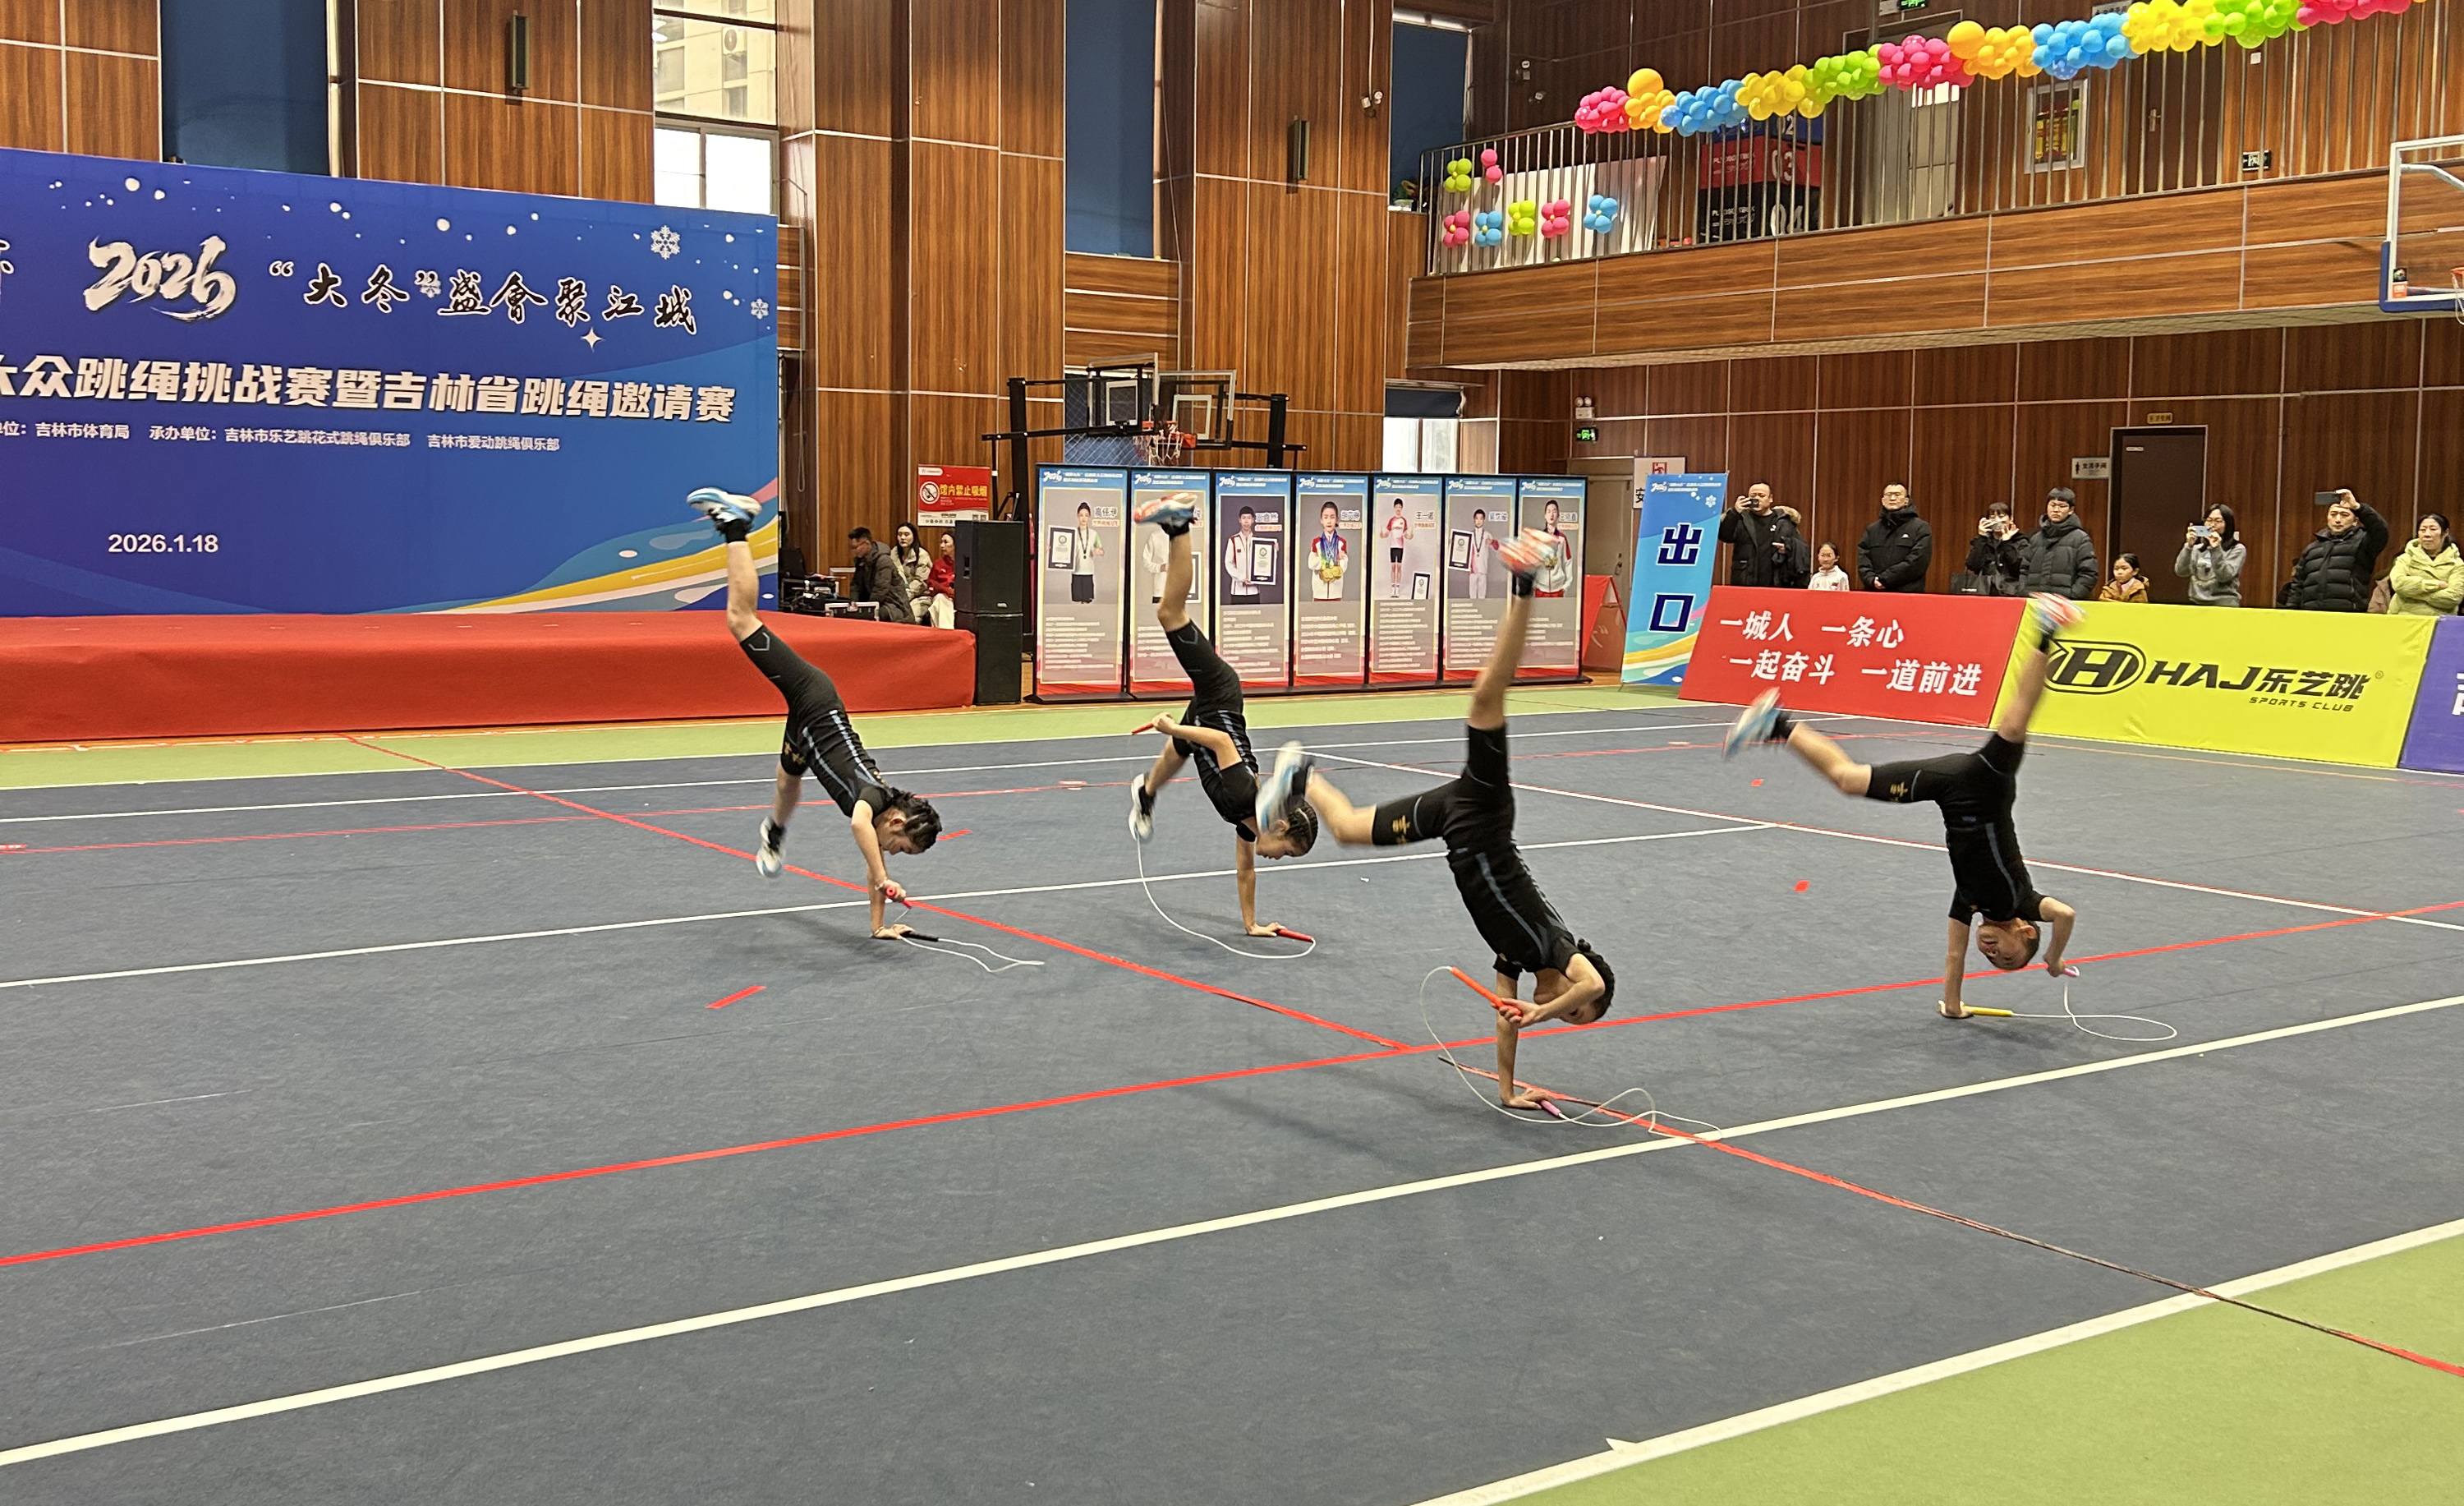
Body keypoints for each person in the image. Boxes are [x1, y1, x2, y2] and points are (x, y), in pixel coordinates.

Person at [1256, 531, 1616, 1108]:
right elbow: (1590, 983)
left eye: (1569, 1015)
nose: (1564, 1008)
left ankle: (1301, 774)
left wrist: (1507, 1090)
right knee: (1485, 700)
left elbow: (1504, 1019)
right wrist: (1545, 1012)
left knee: (1346, 828)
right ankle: (1525, 581)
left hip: (1453, 823)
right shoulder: (1555, 945)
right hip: (1486, 814)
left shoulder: (1516, 960)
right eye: (1574, 1009)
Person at [1723, 593, 2085, 1018]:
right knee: (2017, 720)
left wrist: (1954, 1006)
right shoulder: (2023, 902)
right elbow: (2065, 914)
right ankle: (2047, 627)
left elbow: (1954, 956)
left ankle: (1778, 723)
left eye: (1992, 961)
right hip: (1987, 784)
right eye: (2007, 955)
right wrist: (2053, 959)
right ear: (2025, 932)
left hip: (1948, 788)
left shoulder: (1967, 900)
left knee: (1848, 780)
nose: (1992, 953)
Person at [688, 490, 942, 936]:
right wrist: (883, 876)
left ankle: (775, 832)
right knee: (741, 619)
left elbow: (873, 859)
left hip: (808, 730)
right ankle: (736, 526)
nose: (892, 853)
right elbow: (861, 830)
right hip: (813, 699)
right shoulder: (872, 800)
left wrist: (879, 925)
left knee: (788, 780)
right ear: (897, 821)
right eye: (900, 848)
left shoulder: (880, 811)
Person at [1125, 491, 1317, 933]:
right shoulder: (1243, 797)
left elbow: (1245, 870)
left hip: (1212, 711)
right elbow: (1220, 741)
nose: (1278, 859)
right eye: (1286, 852)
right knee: (1169, 613)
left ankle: (1147, 793)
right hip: (1219, 696)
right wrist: (1171, 726)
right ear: (1279, 826)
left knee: (1182, 749)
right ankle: (1179, 525)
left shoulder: (1249, 825)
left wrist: (1252, 924)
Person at [2288, 490, 2391, 612]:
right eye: (2333, 514)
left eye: (2344, 515)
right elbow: (2297, 584)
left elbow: (2381, 531)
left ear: (2355, 521)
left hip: (2348, 613)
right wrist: (2290, 612)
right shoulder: (2312, 549)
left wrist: (2357, 507)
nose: (2337, 519)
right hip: (2312, 613)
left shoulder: (2363, 543)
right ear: (2327, 518)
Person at [1720, 481, 1809, 589]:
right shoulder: (1741, 519)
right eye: (1753, 496)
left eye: (1761, 496)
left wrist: (1788, 547)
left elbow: (1801, 549)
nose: (1757, 498)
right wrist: (1734, 513)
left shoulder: (1783, 521)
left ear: (1770, 498)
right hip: (1745, 580)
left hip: (1776, 581)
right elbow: (1725, 536)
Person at [2020, 487, 2098, 600]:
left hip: (2066, 604)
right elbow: (2024, 569)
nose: (2056, 510)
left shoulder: (2080, 539)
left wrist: (2073, 595)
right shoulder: (2036, 538)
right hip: (2035, 602)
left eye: (2062, 506)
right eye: (2052, 505)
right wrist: (2025, 592)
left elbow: (2089, 574)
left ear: (2071, 510)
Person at [1857, 482, 1932, 593]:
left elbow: (1917, 561)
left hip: (1907, 594)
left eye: (1897, 495)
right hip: (1875, 593)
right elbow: (1863, 559)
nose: (1892, 498)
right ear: (1883, 501)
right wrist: (1871, 579)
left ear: (1906, 501)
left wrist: (1885, 579)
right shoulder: (1872, 530)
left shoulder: (1920, 528)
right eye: (1888, 495)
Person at [2386, 512, 2463, 616]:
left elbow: (2454, 597)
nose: (2427, 534)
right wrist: (2436, 585)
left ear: (2445, 532)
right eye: (2423, 530)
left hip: (2439, 620)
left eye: (2433, 529)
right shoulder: (2406, 558)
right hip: (2403, 617)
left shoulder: (2457, 564)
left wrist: (2412, 593)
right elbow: (2399, 584)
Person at [2174, 505, 2246, 606]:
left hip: (2224, 604)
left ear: (2228, 524)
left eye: (2218, 521)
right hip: (2196, 602)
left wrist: (2216, 548)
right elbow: (2181, 571)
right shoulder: (2197, 549)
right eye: (2209, 520)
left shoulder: (2237, 549)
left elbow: (2224, 577)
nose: (2212, 525)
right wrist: (2189, 546)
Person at [1953, 502, 2025, 596]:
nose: (1997, 520)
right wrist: (1982, 537)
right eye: (1992, 517)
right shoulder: (1983, 541)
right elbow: (1972, 565)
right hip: (1985, 592)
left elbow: (2019, 568)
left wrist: (2006, 543)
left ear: (2011, 519)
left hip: (2011, 593)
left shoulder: (2021, 541)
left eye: (2001, 516)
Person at [848, 527, 915, 623]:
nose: (853, 552)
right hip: (877, 603)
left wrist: (867, 609)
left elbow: (881, 589)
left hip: (894, 606)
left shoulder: (883, 560)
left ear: (866, 544)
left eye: (855, 548)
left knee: (868, 616)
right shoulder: (861, 561)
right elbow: (856, 585)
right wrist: (854, 604)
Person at [1532, 498, 1576, 598]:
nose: (1551, 515)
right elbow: (1533, 561)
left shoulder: (1562, 538)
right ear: (1545, 515)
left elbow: (1568, 562)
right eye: (1549, 512)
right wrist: (1535, 584)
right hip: (1541, 589)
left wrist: (1565, 586)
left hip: (1558, 589)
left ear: (1558, 515)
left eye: (1554, 511)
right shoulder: (1539, 538)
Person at [1307, 500, 1349, 601]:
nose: (1329, 521)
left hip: (1336, 592)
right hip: (1319, 592)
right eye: (1326, 517)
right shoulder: (1316, 542)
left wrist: (1337, 560)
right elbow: (1311, 564)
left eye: (1332, 517)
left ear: (1337, 520)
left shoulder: (1341, 542)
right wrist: (1329, 558)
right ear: (1321, 520)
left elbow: (1343, 567)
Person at [1069, 501, 1104, 605]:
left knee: (1087, 603)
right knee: (1077, 602)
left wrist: (1099, 552)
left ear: (1089, 517)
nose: (1083, 518)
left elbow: (1101, 549)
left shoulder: (1094, 534)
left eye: (1086, 515)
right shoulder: (1072, 533)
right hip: (1076, 571)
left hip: (1088, 571)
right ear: (1077, 516)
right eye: (1081, 515)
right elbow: (1064, 548)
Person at [1224, 505, 1261, 601]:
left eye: (1249, 518)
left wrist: (1274, 551)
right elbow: (1229, 563)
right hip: (1237, 591)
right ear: (1239, 520)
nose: (1246, 521)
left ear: (1253, 520)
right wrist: (1241, 578)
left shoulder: (1259, 541)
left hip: (1254, 590)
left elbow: (1265, 561)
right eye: (1244, 518)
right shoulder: (1233, 540)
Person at [890, 522, 932, 604]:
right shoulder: (893, 553)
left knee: (912, 611)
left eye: (906, 534)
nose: (902, 538)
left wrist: (906, 595)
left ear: (914, 537)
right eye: (900, 534)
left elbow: (921, 581)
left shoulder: (922, 555)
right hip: (898, 595)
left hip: (920, 596)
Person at [922, 531, 957, 629]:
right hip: (943, 596)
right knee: (940, 600)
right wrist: (946, 591)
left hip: (961, 598)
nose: (942, 546)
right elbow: (931, 583)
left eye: (946, 542)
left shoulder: (965, 563)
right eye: (941, 542)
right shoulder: (938, 563)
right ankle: (947, 632)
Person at [1465, 509, 1495, 599]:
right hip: (1472, 568)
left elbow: (1495, 547)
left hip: (1483, 566)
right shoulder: (1469, 535)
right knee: (1472, 592)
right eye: (1477, 518)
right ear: (1474, 520)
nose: (1478, 521)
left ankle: (1481, 607)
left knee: (1482, 593)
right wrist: (1454, 541)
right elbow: (1463, 546)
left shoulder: (1487, 535)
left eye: (1481, 519)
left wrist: (1491, 543)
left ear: (1484, 520)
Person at [1383, 498, 1410, 597]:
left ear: (1402, 508)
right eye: (1396, 507)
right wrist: (1382, 534)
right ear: (1394, 508)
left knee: (1399, 567)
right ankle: (1392, 588)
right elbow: (1386, 533)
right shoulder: (1392, 521)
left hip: (1400, 546)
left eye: (1400, 507)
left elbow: (1406, 535)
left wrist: (1410, 536)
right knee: (1393, 567)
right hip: (1392, 546)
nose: (1398, 509)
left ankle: (1397, 589)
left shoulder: (1404, 521)